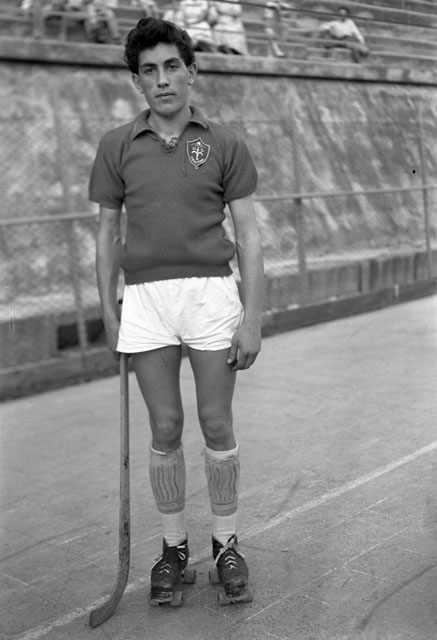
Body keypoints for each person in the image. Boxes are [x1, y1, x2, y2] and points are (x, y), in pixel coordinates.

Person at [89, 17, 264, 605]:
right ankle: (173, 549)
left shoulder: (223, 142)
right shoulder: (117, 145)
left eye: (171, 66)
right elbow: (106, 233)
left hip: (211, 292)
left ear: (191, 71)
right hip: (146, 298)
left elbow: (249, 234)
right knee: (164, 427)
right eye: (149, 70)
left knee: (216, 423)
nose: (161, 79)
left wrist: (252, 316)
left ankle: (226, 544)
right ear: (136, 82)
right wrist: (108, 311)